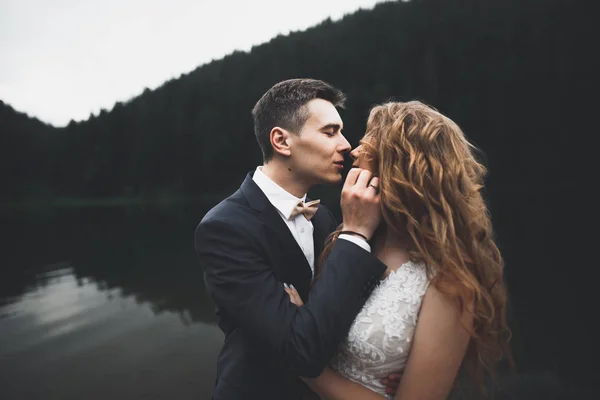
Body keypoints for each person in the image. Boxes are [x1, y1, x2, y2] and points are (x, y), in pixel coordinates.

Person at [285, 101, 513, 399]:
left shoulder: (449, 279)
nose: (353, 151)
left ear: (399, 164)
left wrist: (301, 363)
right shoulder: (344, 239)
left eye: (368, 143)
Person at [194, 79, 401, 400]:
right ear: (281, 141)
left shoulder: (321, 217)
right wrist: (357, 232)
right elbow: (300, 349)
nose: (346, 144)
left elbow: (338, 308)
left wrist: (381, 361)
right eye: (330, 132)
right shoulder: (224, 229)